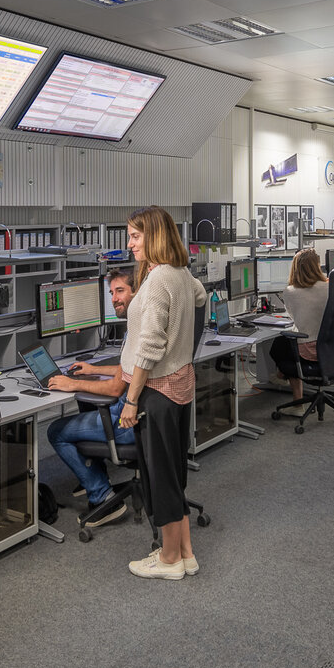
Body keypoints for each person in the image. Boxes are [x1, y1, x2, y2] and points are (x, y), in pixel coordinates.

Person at [120, 206, 207, 581]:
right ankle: (185, 552)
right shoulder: (182, 273)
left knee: (160, 476)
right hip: (180, 385)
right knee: (173, 473)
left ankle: (169, 558)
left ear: (154, 236)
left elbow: (150, 347)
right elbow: (201, 299)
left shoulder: (157, 280)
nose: (130, 244)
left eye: (136, 236)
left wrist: (131, 399)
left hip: (156, 391)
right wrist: (183, 346)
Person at [44, 271, 137, 524]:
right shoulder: (139, 326)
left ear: (136, 292)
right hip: (141, 417)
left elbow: (116, 389)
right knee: (85, 404)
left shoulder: (136, 330)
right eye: (111, 293)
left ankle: (101, 494)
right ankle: (94, 478)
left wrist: (72, 383)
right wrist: (93, 369)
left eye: (120, 291)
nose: (114, 298)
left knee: (56, 431)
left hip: (125, 422)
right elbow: (125, 372)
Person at [269, 248, 330, 400]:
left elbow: (294, 318)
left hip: (309, 352)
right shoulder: (330, 287)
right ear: (317, 266)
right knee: (283, 343)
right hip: (333, 348)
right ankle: (281, 376)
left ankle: (297, 400)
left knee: (278, 345)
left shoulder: (290, 291)